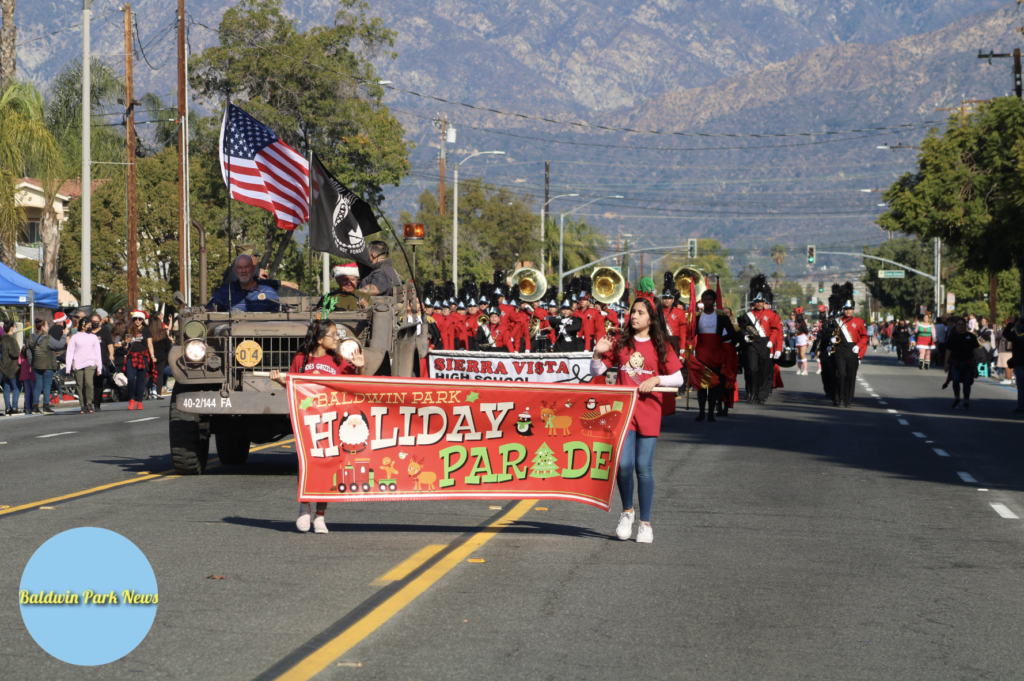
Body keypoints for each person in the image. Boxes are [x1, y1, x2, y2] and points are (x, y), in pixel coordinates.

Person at [591, 296, 683, 544]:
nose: (634, 316)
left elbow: (678, 378)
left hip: (649, 412)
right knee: (622, 465)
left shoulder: (661, 344)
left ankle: (645, 523)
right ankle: (627, 512)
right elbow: (597, 372)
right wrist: (597, 354)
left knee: (643, 467)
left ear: (651, 318)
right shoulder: (622, 342)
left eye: (640, 313)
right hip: (623, 413)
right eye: (633, 312)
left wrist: (656, 380)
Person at [270, 319, 364, 534]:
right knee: (305, 465)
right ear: (320, 339)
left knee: (328, 466)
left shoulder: (339, 360)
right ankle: (304, 508)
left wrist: (361, 367)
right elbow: (295, 387)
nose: (338, 338)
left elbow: (355, 387)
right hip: (307, 422)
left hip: (332, 421)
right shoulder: (301, 359)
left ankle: (320, 516)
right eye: (333, 335)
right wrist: (281, 381)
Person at [691, 289, 739, 422]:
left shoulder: (721, 315)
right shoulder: (697, 316)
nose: (708, 301)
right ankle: (701, 412)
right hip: (702, 353)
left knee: (713, 384)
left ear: (714, 301)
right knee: (702, 385)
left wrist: (721, 339)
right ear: (702, 300)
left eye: (710, 299)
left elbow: (732, 332)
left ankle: (711, 413)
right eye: (705, 299)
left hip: (716, 352)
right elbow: (691, 333)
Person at [738, 275, 782, 404]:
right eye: (756, 302)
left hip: (765, 343)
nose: (758, 304)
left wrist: (771, 341)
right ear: (753, 302)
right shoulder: (747, 315)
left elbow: (775, 329)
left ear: (764, 303)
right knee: (752, 369)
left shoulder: (771, 314)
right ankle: (751, 391)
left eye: (761, 302)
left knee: (764, 370)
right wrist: (745, 336)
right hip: (752, 343)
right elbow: (742, 329)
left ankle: (761, 395)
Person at [207, 255, 281, 312]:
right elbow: (208, 312)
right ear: (235, 271)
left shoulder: (269, 292)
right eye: (239, 268)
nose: (243, 271)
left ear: (254, 269)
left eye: (247, 267)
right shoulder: (224, 291)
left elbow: (278, 319)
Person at [833, 287, 868, 408]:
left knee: (851, 376)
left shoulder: (858, 321)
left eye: (850, 309)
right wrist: (831, 341)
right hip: (840, 350)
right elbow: (830, 334)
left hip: (852, 350)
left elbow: (865, 337)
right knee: (841, 374)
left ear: (853, 310)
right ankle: (839, 398)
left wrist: (858, 347)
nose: (848, 311)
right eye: (846, 309)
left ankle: (848, 400)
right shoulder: (837, 321)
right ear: (843, 310)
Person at [65, 317, 102, 414]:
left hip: (90, 363)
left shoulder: (93, 337)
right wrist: (68, 367)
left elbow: (98, 352)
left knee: (88, 383)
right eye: (89, 325)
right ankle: (82, 405)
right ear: (83, 326)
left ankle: (89, 403)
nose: (91, 327)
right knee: (80, 385)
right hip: (78, 364)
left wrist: (99, 367)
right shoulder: (75, 337)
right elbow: (70, 352)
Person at [30, 318, 67, 414]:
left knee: (38, 386)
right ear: (42, 327)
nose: (48, 327)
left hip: (37, 364)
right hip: (48, 364)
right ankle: (46, 405)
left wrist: (31, 363)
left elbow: (28, 350)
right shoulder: (48, 338)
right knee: (47, 385)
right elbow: (60, 345)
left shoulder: (32, 338)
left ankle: (35, 406)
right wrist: (64, 334)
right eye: (46, 325)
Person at [943, 317, 979, 410]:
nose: (961, 326)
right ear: (956, 326)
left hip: (968, 363)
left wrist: (982, 358)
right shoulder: (952, 336)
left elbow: (976, 348)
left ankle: (966, 401)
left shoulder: (971, 336)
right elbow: (948, 350)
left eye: (962, 325)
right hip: (955, 362)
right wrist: (946, 363)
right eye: (959, 324)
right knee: (955, 380)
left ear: (966, 326)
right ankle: (957, 398)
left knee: (967, 382)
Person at [123, 310, 156, 410]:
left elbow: (150, 344)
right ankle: (131, 400)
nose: (137, 321)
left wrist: (152, 355)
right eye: (136, 319)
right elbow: (124, 344)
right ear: (133, 320)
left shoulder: (146, 330)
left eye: (140, 319)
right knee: (131, 379)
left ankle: (140, 401)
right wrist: (125, 342)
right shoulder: (129, 329)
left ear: (143, 320)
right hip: (131, 356)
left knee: (141, 380)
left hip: (143, 356)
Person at [1001, 317, 1024, 413]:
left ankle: (1021, 407)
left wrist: (1012, 323)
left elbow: (1005, 334)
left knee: (1022, 386)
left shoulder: (1017, 333)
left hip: (1020, 362)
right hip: (1019, 362)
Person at [150, 316, 173, 398]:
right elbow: (168, 345)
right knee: (160, 374)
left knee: (149, 374)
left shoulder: (149, 333)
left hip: (151, 355)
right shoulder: (163, 334)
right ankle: (159, 393)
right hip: (161, 356)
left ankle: (148, 392)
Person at [1, 321, 20, 416]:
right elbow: (15, 353)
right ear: (11, 328)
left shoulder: (2, 339)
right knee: (17, 387)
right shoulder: (11, 340)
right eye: (15, 326)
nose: (15, 328)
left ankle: (7, 408)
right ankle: (14, 407)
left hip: (4, 366)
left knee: (6, 388)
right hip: (12, 367)